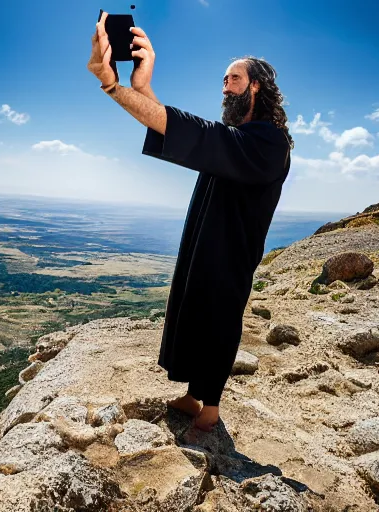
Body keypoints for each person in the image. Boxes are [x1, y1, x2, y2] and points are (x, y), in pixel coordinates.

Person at [88, 12, 293, 432]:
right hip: (205, 241)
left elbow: (193, 134)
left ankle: (211, 407)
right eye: (223, 79)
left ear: (256, 86)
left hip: (231, 249)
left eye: (234, 79)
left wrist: (113, 87)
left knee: (219, 315)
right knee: (194, 307)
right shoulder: (238, 137)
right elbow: (190, 133)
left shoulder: (269, 142)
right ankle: (192, 393)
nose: (225, 86)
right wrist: (142, 88)